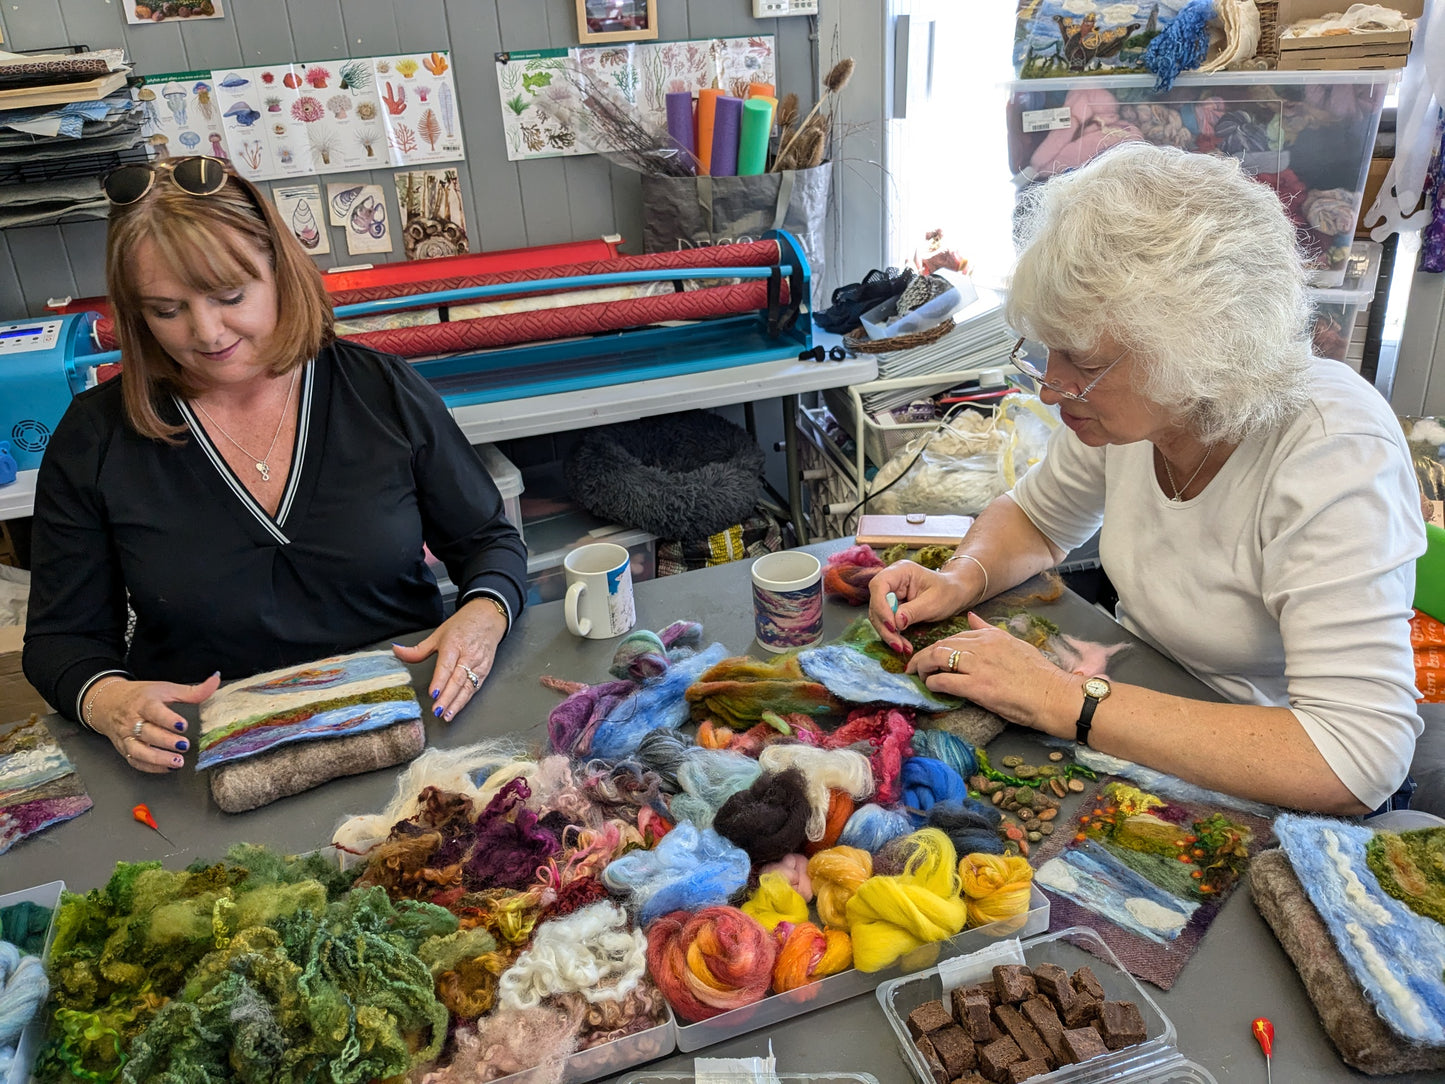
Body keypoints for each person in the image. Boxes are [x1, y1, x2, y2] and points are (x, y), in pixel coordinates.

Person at [868, 142, 1425, 816]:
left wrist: (1054, 698)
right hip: (1130, 700)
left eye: (1080, 362)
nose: (1049, 389)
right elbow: (1037, 518)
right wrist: (963, 577)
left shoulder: (1332, 451)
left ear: (1195, 351)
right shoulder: (1134, 418)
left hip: (1261, 769)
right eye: (1046, 351)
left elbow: (1354, 757)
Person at [22, 156, 528, 773]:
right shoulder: (95, 438)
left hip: (407, 730)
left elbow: (488, 541)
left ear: (280, 272)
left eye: (230, 296)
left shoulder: (380, 391)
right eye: (165, 310)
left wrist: (483, 614)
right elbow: (60, 641)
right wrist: (108, 700)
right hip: (211, 756)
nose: (206, 332)